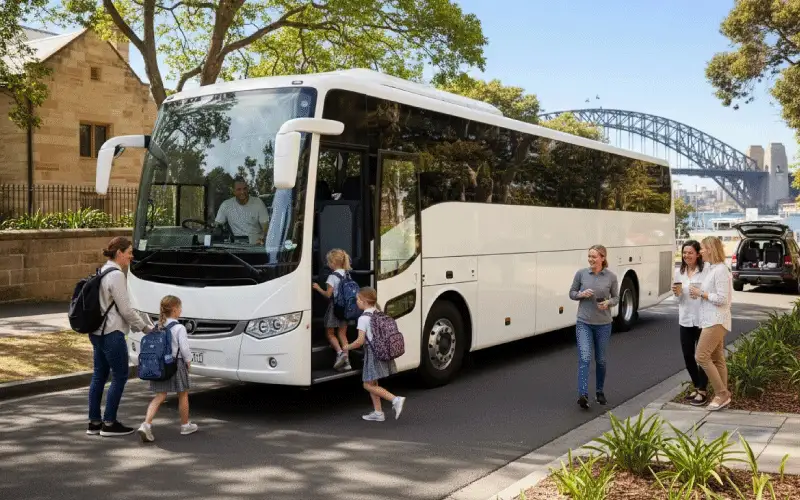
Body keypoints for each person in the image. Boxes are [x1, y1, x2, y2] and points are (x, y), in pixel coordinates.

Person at [87, 237, 152, 437]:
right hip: (112, 333)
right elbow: (125, 309)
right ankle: (109, 423)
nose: (132, 256)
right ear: (119, 253)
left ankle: (94, 423)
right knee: (121, 375)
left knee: (99, 376)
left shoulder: (102, 270)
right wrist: (144, 327)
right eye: (129, 252)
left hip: (97, 332)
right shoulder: (116, 275)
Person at [137, 295, 198, 442]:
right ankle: (185, 425)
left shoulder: (157, 326)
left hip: (159, 365)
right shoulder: (179, 327)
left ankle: (146, 424)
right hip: (175, 364)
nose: (181, 310)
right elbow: (184, 348)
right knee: (183, 394)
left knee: (160, 396)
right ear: (175, 309)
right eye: (180, 307)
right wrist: (188, 361)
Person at [343, 287, 406, 422]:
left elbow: (360, 341)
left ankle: (395, 399)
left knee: (367, 384)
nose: (357, 302)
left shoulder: (363, 318)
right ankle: (378, 413)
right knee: (373, 382)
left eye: (358, 300)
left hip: (373, 353)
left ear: (364, 301)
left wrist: (347, 346)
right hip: (381, 350)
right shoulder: (378, 312)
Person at [568, 244, 619, 410]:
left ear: (602, 258)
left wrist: (608, 303)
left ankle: (599, 391)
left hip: (603, 324)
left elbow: (616, 297)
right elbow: (572, 293)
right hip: (584, 322)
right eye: (589, 256)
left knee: (601, 360)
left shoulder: (610, 277)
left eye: (594, 256)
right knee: (584, 358)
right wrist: (581, 295)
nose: (590, 259)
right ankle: (582, 395)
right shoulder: (581, 274)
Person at [691, 236, 733, 411]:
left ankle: (721, 394)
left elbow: (723, 299)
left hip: (716, 320)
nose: (700, 252)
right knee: (717, 358)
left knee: (701, 356)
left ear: (710, 249)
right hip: (711, 319)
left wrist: (702, 294)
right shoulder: (711, 268)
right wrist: (700, 293)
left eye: (702, 248)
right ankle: (724, 395)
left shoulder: (721, 270)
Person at [673, 240, 709, 406]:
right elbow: (677, 299)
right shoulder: (678, 272)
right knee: (688, 356)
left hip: (702, 319)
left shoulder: (706, 270)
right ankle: (697, 386)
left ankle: (702, 390)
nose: (687, 256)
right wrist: (677, 293)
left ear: (698, 254)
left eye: (690, 253)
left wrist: (700, 293)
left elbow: (712, 293)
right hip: (685, 318)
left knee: (702, 357)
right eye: (684, 253)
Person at [312, 249, 352, 371]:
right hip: (346, 308)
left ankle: (340, 353)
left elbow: (328, 295)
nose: (328, 264)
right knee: (342, 334)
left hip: (334, 308)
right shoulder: (347, 274)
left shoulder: (332, 277)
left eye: (328, 262)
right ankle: (347, 363)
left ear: (333, 263)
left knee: (330, 333)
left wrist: (318, 288)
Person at [214, 177, 269, 244]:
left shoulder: (258, 203)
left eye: (244, 189)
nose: (242, 192)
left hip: (256, 247)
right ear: (234, 191)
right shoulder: (226, 205)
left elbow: (266, 228)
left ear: (248, 189)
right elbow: (217, 227)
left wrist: (262, 239)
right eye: (239, 189)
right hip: (236, 248)